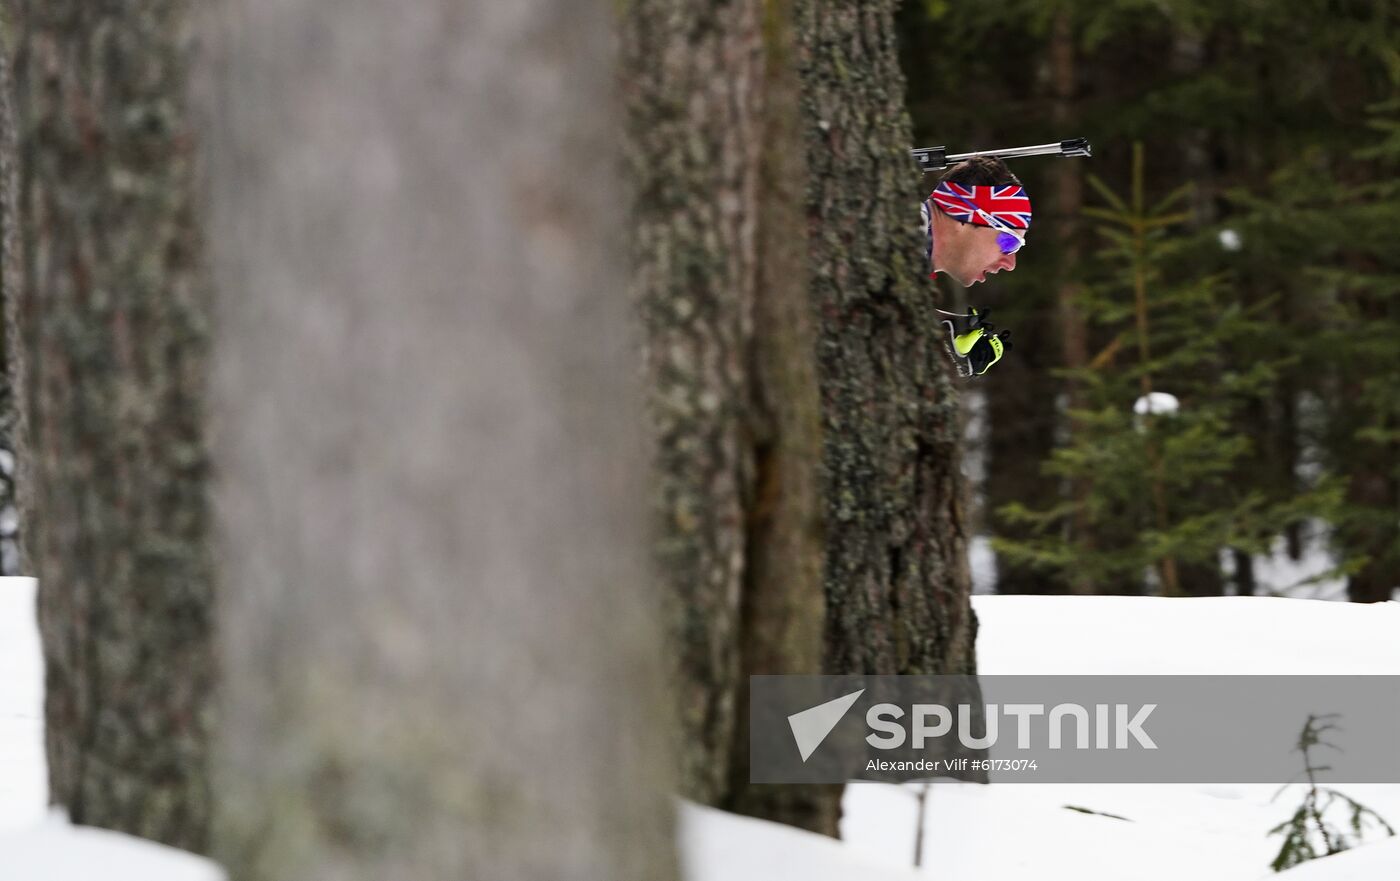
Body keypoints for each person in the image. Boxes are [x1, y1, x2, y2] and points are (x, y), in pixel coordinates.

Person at [919, 155, 1029, 377]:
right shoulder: (900, 234)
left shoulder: (914, 261)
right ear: (964, 215)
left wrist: (942, 340)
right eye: (1009, 241)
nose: (1010, 263)